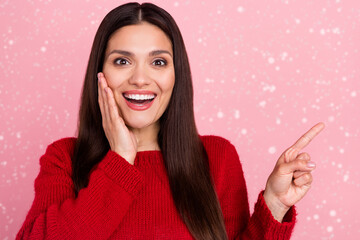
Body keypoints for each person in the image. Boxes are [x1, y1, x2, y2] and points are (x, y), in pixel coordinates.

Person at [16, 2, 325, 240]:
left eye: (158, 62)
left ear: (177, 75)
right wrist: (121, 161)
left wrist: (274, 204)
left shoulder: (217, 157)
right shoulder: (64, 159)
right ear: (100, 74)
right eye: (122, 61)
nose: (139, 78)